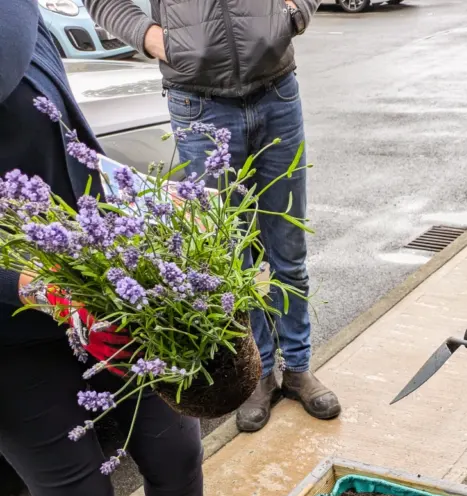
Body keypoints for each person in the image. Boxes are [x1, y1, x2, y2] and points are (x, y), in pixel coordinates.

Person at [0, 0, 209, 496]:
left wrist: (139, 199)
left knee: (173, 444)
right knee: (78, 494)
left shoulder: (17, 25)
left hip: (100, 292)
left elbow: (74, 151)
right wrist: (26, 287)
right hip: (10, 344)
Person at [87, 0, 341, 434]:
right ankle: (259, 373)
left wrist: (294, 14)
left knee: (287, 247)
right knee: (231, 258)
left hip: (276, 90)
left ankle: (297, 366)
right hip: (199, 104)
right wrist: (158, 40)